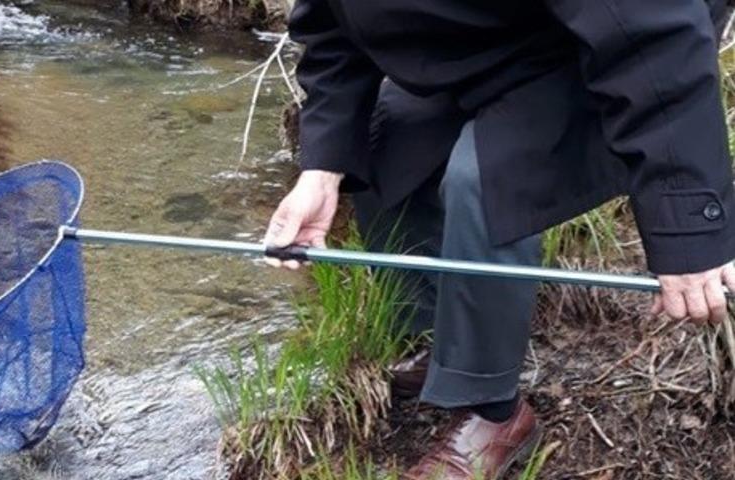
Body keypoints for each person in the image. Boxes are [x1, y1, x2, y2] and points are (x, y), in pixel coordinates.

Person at [263, 1, 735, 479]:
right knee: (385, 135)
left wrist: (689, 229)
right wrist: (321, 170)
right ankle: (437, 343)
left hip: (621, 45)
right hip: (506, 39)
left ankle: (494, 413)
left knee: (484, 177)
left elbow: (652, 41)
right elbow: (332, 36)